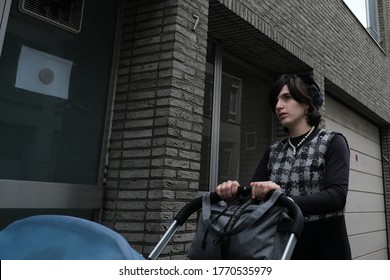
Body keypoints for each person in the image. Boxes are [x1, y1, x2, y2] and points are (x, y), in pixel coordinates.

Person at [216, 74, 352, 260]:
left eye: (287, 98)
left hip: (326, 246)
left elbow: (337, 196)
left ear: (307, 103)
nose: (279, 105)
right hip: (281, 246)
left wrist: (283, 199)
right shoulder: (273, 151)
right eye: (277, 100)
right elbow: (254, 199)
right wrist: (233, 195)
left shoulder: (332, 142)